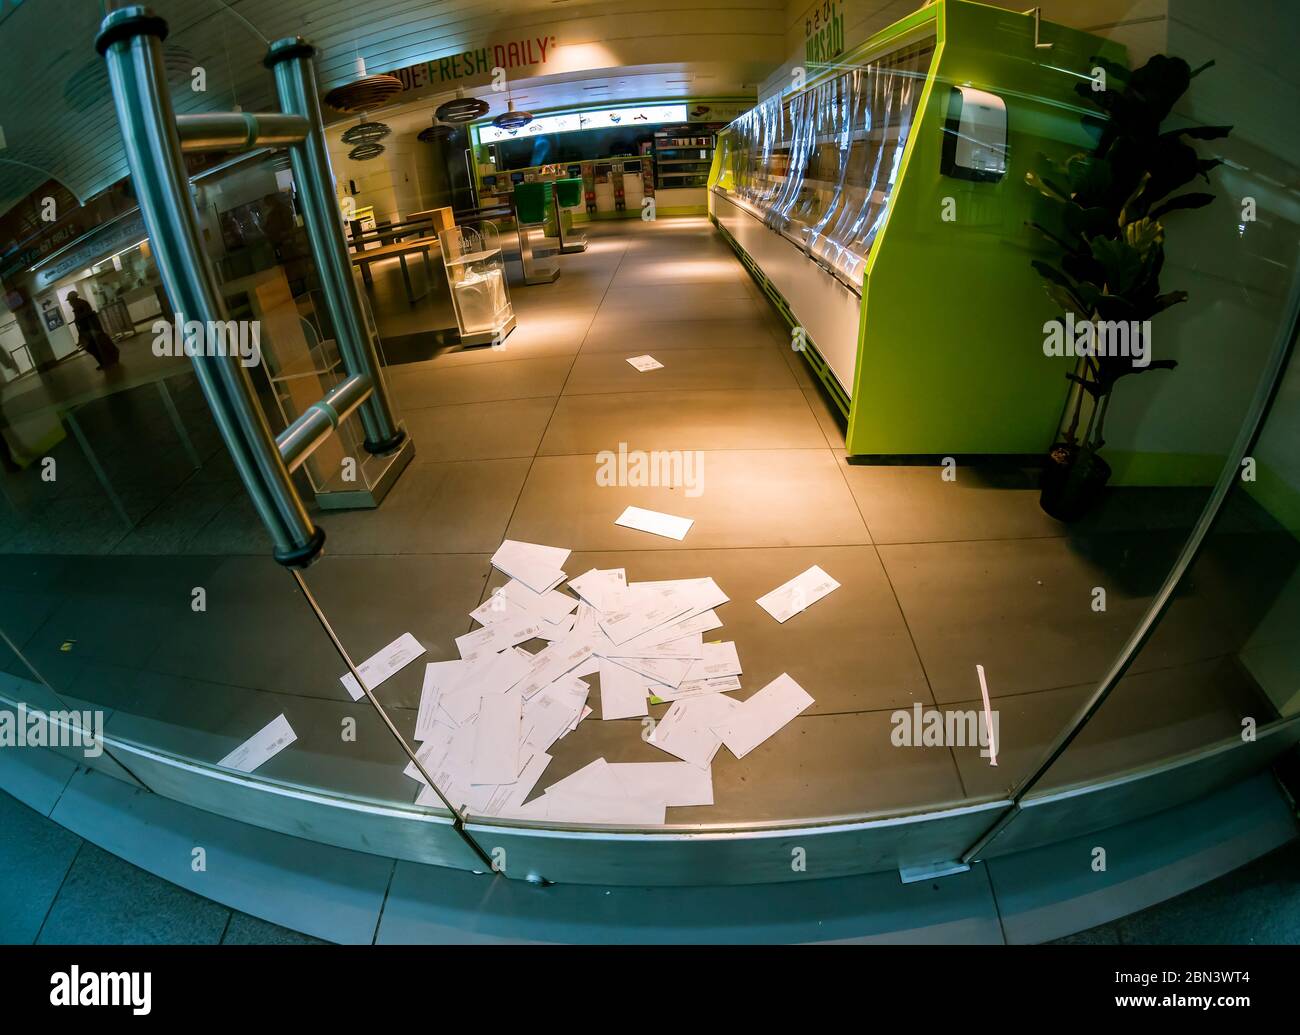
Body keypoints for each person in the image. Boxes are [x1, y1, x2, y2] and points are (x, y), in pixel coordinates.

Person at [66, 291, 120, 370]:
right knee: (94, 347)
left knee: (95, 347)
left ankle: (107, 362)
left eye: (69, 300)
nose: (69, 303)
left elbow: (86, 317)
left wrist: (88, 330)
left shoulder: (80, 305)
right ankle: (104, 362)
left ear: (73, 299)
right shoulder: (78, 305)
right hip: (88, 331)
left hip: (90, 330)